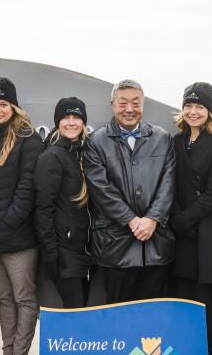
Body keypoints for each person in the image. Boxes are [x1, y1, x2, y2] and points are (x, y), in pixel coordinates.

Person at [84, 79, 176, 303]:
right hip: (115, 246)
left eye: (136, 103)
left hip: (155, 246)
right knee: (119, 315)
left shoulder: (162, 138)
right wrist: (132, 221)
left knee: (152, 316)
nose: (129, 109)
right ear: (113, 104)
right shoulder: (96, 141)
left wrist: (153, 219)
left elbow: (169, 183)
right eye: (123, 103)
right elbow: (101, 189)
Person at [0, 77, 44, 355]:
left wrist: (11, 219)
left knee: (24, 298)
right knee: (3, 298)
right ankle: (8, 350)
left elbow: (29, 186)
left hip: (19, 239)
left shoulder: (28, 138)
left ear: (14, 107)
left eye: (4, 104)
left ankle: (20, 352)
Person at [170, 82, 212, 355]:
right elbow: (171, 184)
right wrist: (176, 218)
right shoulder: (175, 141)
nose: (193, 111)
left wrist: (184, 219)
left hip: (208, 229)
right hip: (181, 230)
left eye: (199, 106)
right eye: (189, 105)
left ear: (209, 111)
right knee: (185, 294)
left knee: (207, 297)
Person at [35, 97, 93, 308]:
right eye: (65, 117)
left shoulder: (85, 153)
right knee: (75, 311)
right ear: (58, 122)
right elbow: (43, 208)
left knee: (82, 310)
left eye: (76, 117)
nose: (71, 122)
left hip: (83, 250)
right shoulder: (52, 156)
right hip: (63, 251)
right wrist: (50, 251)